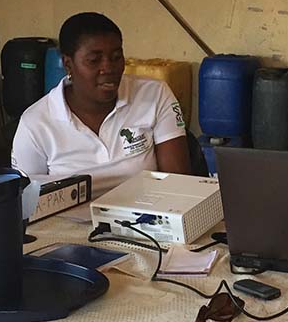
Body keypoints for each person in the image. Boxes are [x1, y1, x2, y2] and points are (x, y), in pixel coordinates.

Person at [11, 12, 190, 197]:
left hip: (147, 220)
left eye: (116, 57)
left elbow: (178, 183)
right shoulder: (36, 123)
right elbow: (26, 201)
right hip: (68, 224)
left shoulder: (155, 95)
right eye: (94, 60)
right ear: (68, 64)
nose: (109, 68)